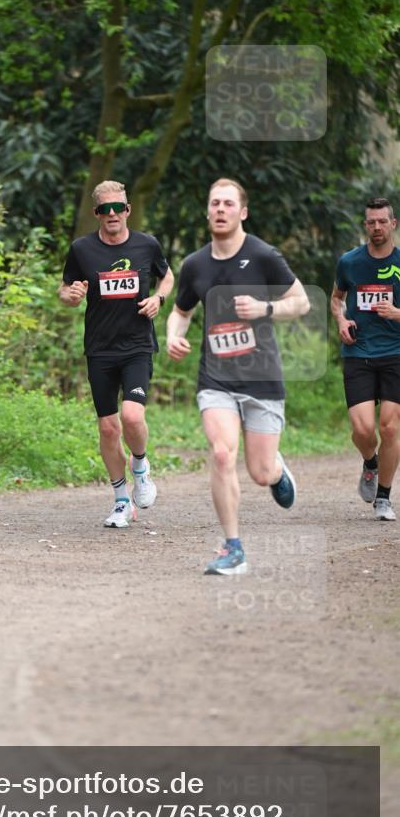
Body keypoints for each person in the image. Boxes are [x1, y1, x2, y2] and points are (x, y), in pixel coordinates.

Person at [166, 177, 310, 574]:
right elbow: (181, 311)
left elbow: (301, 301)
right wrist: (173, 337)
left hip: (262, 379)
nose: (220, 209)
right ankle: (233, 549)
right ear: (207, 210)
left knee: (260, 473)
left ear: (242, 212)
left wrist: (265, 309)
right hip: (216, 379)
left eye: (228, 203)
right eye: (215, 203)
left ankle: (275, 469)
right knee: (222, 452)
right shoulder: (195, 264)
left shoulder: (263, 256)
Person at [59, 180, 174, 527]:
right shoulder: (82, 249)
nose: (112, 214)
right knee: (108, 429)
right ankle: (122, 500)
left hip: (137, 345)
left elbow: (167, 277)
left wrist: (158, 299)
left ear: (127, 210)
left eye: (118, 208)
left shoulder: (146, 245)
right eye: (105, 209)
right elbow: (64, 290)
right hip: (99, 349)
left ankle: (140, 466)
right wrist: (72, 296)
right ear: (96, 213)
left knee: (132, 418)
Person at [330, 197, 400, 521]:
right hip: (358, 351)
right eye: (371, 222)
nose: (376, 227)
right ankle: (370, 463)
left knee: (389, 427)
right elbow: (336, 299)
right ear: (365, 225)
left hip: (395, 353)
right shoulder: (349, 262)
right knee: (362, 430)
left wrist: (397, 313)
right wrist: (342, 321)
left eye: (382, 221)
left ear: (393, 224)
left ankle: (384, 497)